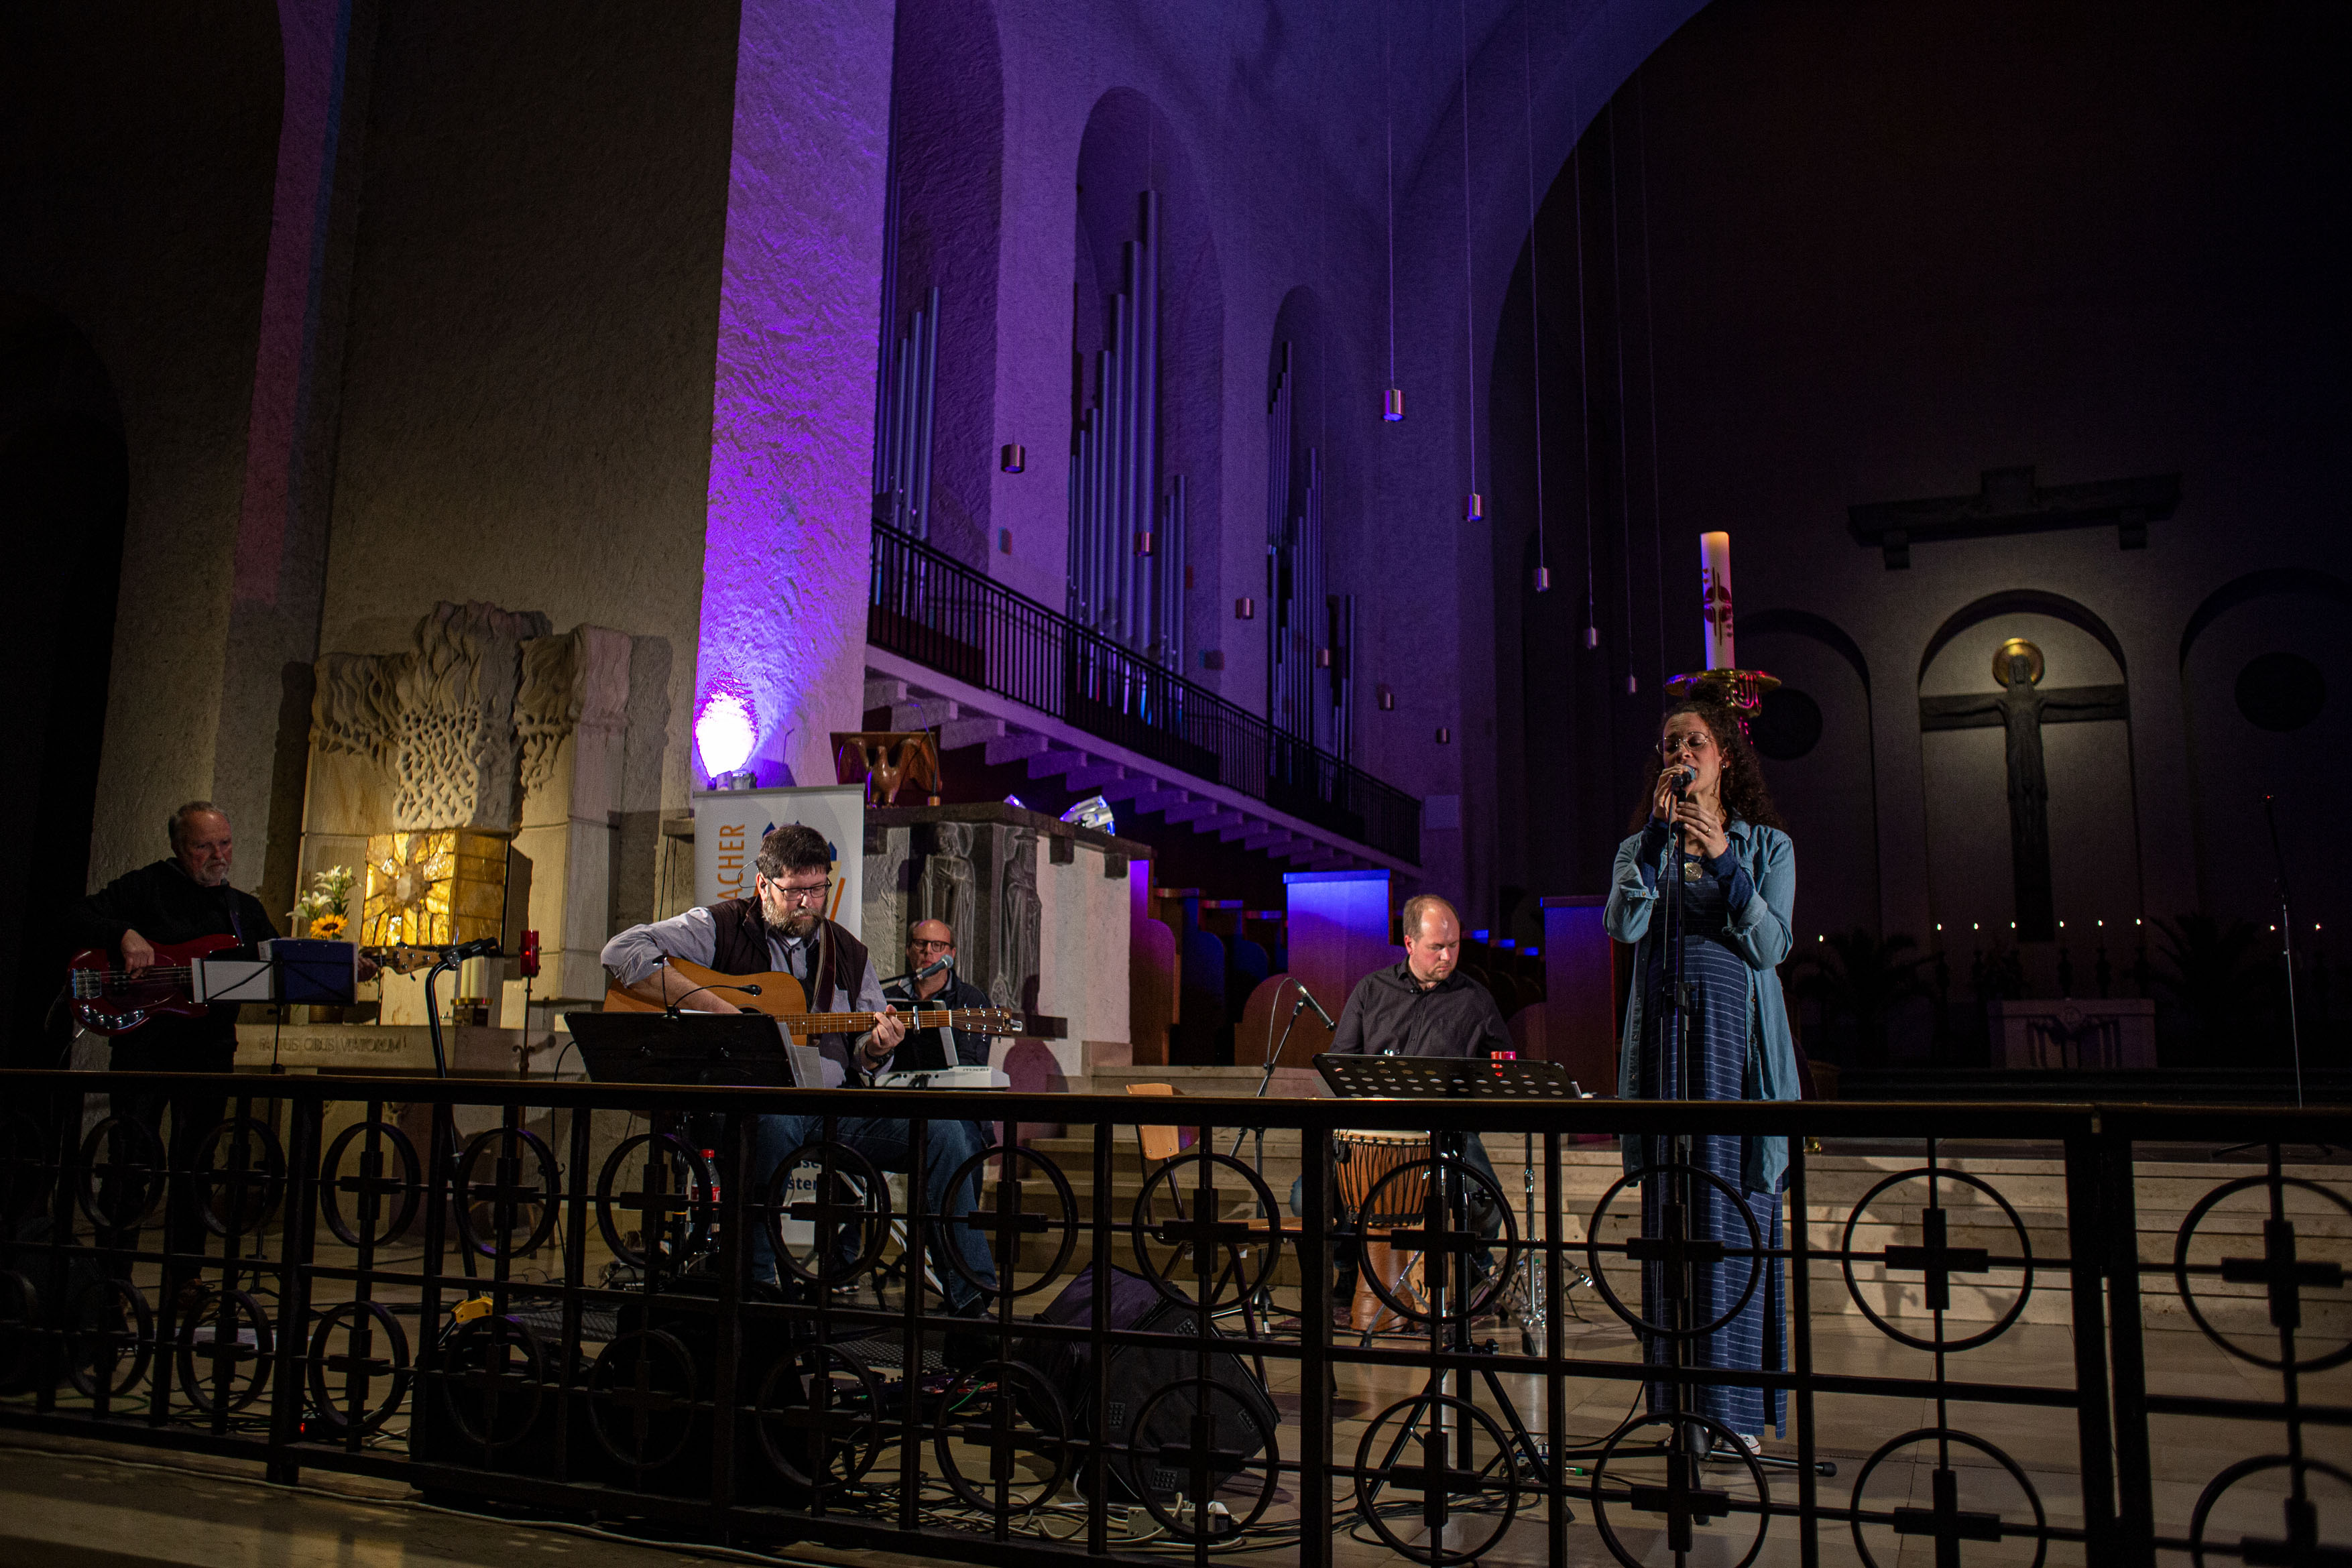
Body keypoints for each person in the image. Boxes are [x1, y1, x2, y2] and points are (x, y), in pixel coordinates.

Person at [599, 825, 996, 1309]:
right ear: (763, 884)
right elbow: (621, 952)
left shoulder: (848, 952)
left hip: (833, 1107)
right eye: (794, 891)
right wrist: (727, 1014)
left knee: (946, 1132)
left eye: (818, 889)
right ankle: (756, 1294)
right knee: (773, 1121)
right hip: (749, 1104)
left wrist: (877, 1048)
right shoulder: (721, 925)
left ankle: (972, 1303)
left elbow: (867, 1052)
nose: (808, 903)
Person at [1604, 700, 1800, 1459]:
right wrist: (1659, 841)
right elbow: (1623, 926)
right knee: (1674, 1218)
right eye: (1669, 744)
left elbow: (1770, 946)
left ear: (1723, 757)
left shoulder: (1766, 845)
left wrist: (1723, 858)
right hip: (1665, 1046)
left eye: (1695, 741)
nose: (1680, 752)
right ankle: (1681, 1405)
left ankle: (1736, 1411)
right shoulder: (1640, 847)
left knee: (1734, 1218)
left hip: (1734, 1053)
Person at [64, 802, 282, 1296]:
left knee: (198, 1165)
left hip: (210, 1051)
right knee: (129, 1163)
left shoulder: (243, 910)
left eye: (225, 843)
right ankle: (112, 1280)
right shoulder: (146, 887)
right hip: (145, 1049)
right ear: (179, 848)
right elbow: (74, 915)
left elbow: (279, 963)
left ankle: (186, 1278)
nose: (218, 855)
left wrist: (346, 965)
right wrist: (123, 933)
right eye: (203, 846)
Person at [1326, 894, 1511, 1325]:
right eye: (1436, 947)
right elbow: (1341, 1064)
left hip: (1448, 1129)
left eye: (1454, 946)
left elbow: (1503, 1067)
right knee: (1308, 1196)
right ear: (1409, 943)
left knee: (1487, 1203)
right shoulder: (1372, 990)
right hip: (1376, 1131)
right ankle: (1350, 1272)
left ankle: (1474, 1272)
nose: (1447, 956)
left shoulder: (1475, 999)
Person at [879, 919, 995, 1071]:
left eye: (937, 945)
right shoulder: (886, 998)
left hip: (950, 1085)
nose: (928, 951)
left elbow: (971, 1063)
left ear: (952, 954)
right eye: (920, 943)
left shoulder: (972, 999)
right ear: (908, 950)